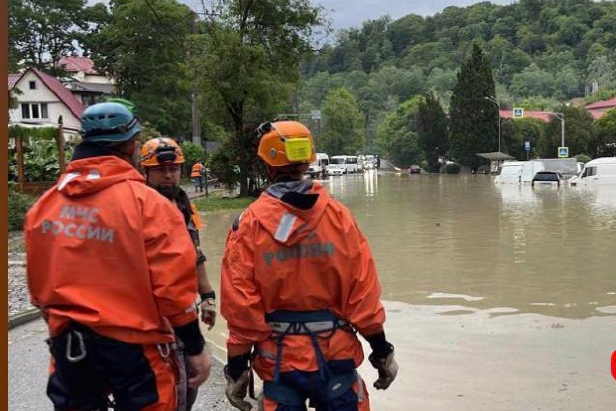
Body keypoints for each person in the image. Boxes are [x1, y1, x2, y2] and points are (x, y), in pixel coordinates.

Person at [25, 102, 212, 411]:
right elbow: (174, 290)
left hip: (72, 349)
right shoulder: (149, 205)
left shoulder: (44, 207)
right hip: (136, 352)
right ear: (130, 145)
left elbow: (38, 288)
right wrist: (195, 347)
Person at [221, 120, 399, 411]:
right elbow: (362, 295)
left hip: (279, 363)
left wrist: (237, 367)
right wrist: (382, 352)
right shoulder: (339, 217)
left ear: (266, 165)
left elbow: (241, 306)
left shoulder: (248, 225)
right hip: (335, 358)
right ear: (308, 161)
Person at [139, 137, 218, 410]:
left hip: (181, 313)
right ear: (145, 172)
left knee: (186, 389)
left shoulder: (183, 205)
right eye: (161, 170)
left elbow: (194, 254)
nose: (169, 175)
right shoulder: (137, 208)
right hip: (148, 317)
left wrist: (208, 296)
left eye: (174, 169)